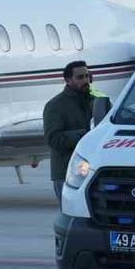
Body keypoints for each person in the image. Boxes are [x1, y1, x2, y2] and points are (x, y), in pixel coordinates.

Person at [43, 60, 101, 202]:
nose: (85, 80)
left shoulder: (97, 102)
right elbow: (53, 139)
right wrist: (86, 135)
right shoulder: (55, 106)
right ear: (68, 80)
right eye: (80, 77)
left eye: (87, 76)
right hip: (67, 174)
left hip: (94, 172)